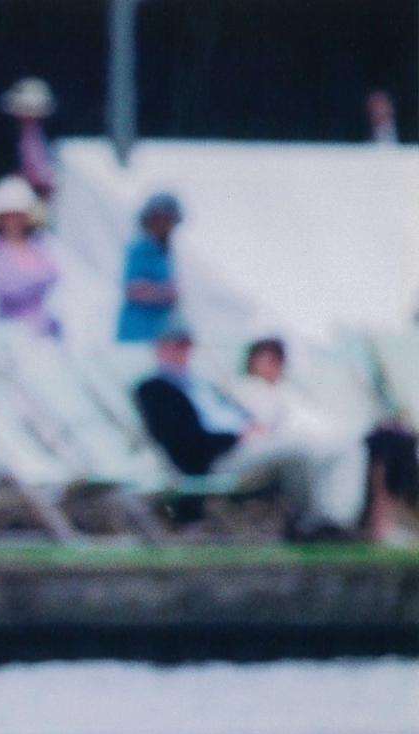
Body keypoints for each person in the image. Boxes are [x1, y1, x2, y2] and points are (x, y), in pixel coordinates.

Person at [134, 326, 363, 540]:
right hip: (219, 458)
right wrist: (237, 437)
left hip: (247, 445)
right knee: (300, 445)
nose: (181, 351)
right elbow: (184, 443)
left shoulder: (201, 384)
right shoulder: (154, 389)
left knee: (334, 447)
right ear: (160, 348)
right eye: (174, 345)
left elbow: (239, 416)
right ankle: (319, 521)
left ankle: (333, 520)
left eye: (185, 345)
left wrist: (254, 429)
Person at [229, 337, 416, 544]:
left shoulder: (290, 392)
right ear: (253, 360)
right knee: (373, 446)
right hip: (281, 450)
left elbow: (319, 424)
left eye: (276, 359)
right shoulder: (244, 389)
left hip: (316, 447)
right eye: (265, 358)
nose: (272, 365)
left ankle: (371, 523)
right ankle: (338, 521)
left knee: (392, 441)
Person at [0, 176, 60, 340]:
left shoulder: (38, 245)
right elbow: (8, 289)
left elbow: (54, 273)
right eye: (8, 216)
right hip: (10, 331)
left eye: (18, 216)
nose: (13, 222)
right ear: (0, 219)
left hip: (44, 330)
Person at [116, 193, 182, 344]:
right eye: (163, 220)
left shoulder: (164, 254)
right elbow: (134, 289)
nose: (168, 227)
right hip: (137, 333)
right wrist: (165, 294)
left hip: (159, 336)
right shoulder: (141, 249)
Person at [0, 77, 57, 202]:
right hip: (17, 190)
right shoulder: (6, 134)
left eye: (33, 109)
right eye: (25, 109)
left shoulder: (44, 131)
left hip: (43, 188)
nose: (29, 115)